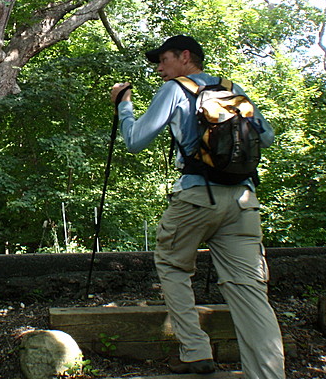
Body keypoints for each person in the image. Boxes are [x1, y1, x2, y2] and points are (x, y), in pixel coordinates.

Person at [110, 35, 285, 378]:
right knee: (250, 291)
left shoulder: (175, 89)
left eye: (163, 60)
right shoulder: (234, 89)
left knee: (173, 265)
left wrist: (124, 105)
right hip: (243, 202)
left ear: (185, 56)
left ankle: (195, 351)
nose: (159, 68)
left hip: (196, 196)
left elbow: (135, 141)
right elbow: (267, 137)